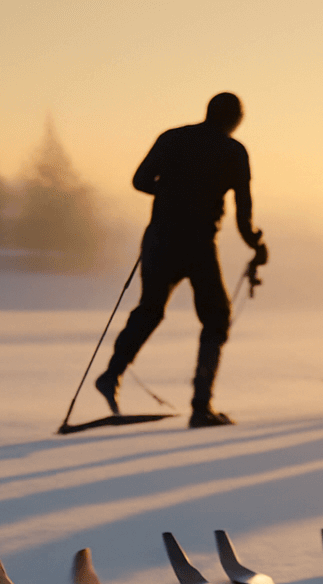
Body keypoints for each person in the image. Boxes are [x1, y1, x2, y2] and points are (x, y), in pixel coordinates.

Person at [95, 92, 266, 428]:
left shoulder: (172, 138)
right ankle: (201, 406)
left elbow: (140, 181)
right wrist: (257, 244)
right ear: (236, 120)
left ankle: (111, 374)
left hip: (160, 239)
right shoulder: (233, 152)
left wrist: (172, 192)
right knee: (216, 318)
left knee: (151, 309)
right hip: (198, 244)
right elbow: (244, 215)